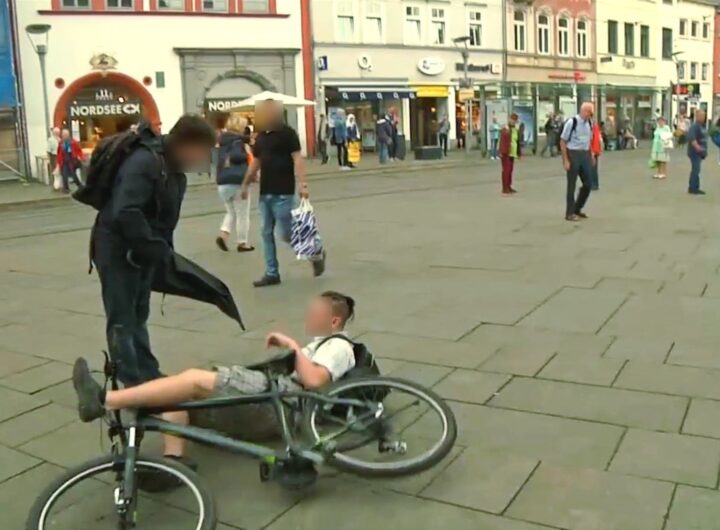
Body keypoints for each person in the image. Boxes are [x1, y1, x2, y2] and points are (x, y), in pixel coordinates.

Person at [72, 291, 357, 466]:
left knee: (196, 379)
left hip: (284, 401)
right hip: (276, 402)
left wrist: (293, 347)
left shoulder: (340, 347)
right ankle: (174, 464)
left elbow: (316, 381)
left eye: (315, 312)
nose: (308, 316)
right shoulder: (321, 344)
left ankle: (106, 401)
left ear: (334, 321)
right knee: (179, 392)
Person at [241, 99, 326, 286]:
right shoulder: (261, 137)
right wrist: (245, 183)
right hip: (265, 193)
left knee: (287, 234)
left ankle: (315, 252)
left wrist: (303, 185)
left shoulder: (288, 134)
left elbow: (298, 159)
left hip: (284, 192)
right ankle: (272, 273)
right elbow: (256, 162)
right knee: (265, 232)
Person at [215, 113, 254, 253]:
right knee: (243, 214)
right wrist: (246, 152)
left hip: (222, 183)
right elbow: (238, 156)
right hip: (238, 181)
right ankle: (242, 243)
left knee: (231, 212)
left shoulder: (223, 142)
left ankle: (223, 235)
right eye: (244, 126)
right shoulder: (239, 142)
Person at [560, 102, 595, 221]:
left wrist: (592, 155)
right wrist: (565, 160)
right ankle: (569, 213)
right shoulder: (572, 122)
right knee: (572, 184)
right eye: (590, 113)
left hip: (584, 153)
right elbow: (563, 141)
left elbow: (588, 140)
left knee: (589, 183)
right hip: (573, 152)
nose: (591, 116)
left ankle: (577, 208)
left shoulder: (589, 123)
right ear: (584, 111)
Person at [498, 113, 521, 195]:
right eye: (513, 120)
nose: (514, 122)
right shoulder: (506, 128)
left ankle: (509, 186)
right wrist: (501, 152)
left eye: (515, 121)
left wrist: (518, 152)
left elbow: (517, 141)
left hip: (512, 153)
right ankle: (505, 188)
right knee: (506, 170)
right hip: (506, 152)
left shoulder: (515, 129)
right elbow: (502, 141)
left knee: (510, 170)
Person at [687, 109, 708, 195]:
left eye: (704, 116)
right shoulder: (694, 126)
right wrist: (697, 147)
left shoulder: (702, 126)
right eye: (701, 115)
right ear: (697, 116)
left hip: (700, 153)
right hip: (694, 152)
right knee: (696, 169)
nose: (703, 117)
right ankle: (693, 188)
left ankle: (695, 186)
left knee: (697, 169)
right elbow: (692, 138)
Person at [56, 129, 84, 193]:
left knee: (73, 175)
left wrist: (81, 157)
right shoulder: (61, 143)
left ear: (68, 135)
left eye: (65, 135)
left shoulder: (73, 142)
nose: (64, 136)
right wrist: (58, 162)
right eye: (63, 135)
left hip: (72, 160)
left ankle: (80, 186)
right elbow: (59, 152)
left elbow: (79, 150)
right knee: (64, 175)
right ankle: (66, 189)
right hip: (64, 161)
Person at [590, 114, 602, 191]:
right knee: (592, 168)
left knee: (592, 168)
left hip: (593, 151)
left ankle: (594, 184)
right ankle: (593, 184)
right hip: (595, 150)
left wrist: (592, 152)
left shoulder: (592, 127)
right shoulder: (595, 126)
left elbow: (594, 140)